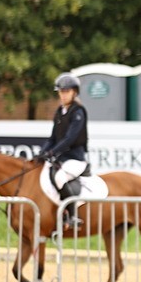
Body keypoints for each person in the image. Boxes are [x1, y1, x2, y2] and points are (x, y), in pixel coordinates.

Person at [36, 73, 89, 231]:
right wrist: (42, 153)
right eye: (61, 91)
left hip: (75, 159)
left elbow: (70, 138)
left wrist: (52, 153)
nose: (63, 95)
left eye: (66, 91)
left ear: (74, 92)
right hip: (61, 158)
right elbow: (53, 138)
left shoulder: (78, 112)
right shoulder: (59, 112)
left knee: (60, 177)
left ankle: (73, 215)